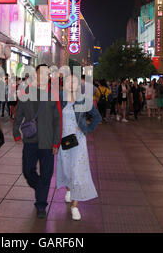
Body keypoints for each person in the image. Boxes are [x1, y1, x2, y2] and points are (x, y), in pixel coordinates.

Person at [13, 64, 62, 219]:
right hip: (31, 140)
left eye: (46, 74)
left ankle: (41, 204)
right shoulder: (26, 91)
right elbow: (18, 113)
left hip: (48, 142)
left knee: (46, 174)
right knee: (28, 170)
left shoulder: (53, 94)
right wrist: (16, 133)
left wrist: (56, 142)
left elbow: (57, 120)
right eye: (40, 73)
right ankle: (41, 188)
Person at [57, 74, 101, 220]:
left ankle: (75, 206)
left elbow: (97, 117)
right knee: (67, 168)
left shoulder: (82, 100)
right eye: (69, 82)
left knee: (77, 170)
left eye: (74, 82)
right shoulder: (61, 99)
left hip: (78, 141)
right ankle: (69, 189)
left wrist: (86, 129)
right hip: (64, 139)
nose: (71, 85)